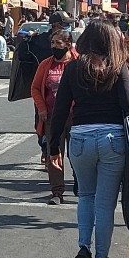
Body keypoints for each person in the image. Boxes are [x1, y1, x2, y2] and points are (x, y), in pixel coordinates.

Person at [49, 21, 129, 258]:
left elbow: (61, 108)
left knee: (86, 196)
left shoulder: (74, 67)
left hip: (80, 138)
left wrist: (53, 144)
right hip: (112, 139)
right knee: (105, 204)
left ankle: (83, 247)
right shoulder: (118, 66)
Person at [32, 30, 78, 204]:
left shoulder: (78, 62)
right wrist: (42, 108)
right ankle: (57, 192)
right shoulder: (45, 64)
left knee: (77, 154)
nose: (54, 47)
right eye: (52, 43)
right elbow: (35, 88)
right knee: (54, 153)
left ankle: (80, 184)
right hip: (52, 117)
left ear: (67, 44)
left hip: (75, 117)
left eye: (58, 43)